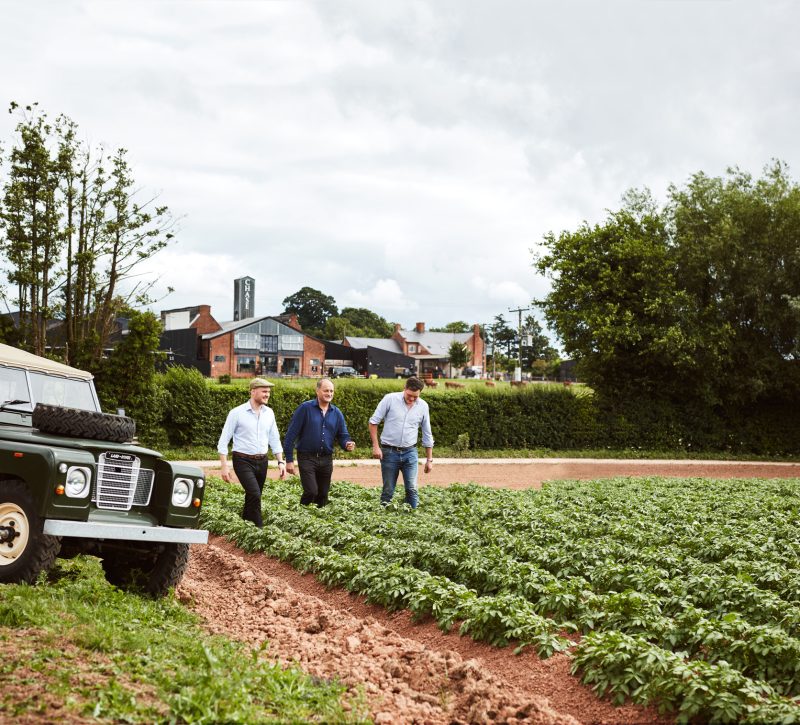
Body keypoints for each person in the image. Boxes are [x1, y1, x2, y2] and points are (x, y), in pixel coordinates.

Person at [217, 377, 285, 527]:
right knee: (255, 494)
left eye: (268, 392)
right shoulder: (237, 413)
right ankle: (259, 528)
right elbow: (223, 440)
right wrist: (224, 466)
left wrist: (280, 461)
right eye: (264, 391)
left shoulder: (269, 413)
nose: (267, 394)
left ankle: (245, 525)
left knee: (253, 495)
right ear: (253, 392)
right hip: (242, 460)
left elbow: (274, 438)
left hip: (262, 461)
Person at [283, 377, 355, 506]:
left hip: (326, 459)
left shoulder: (336, 413)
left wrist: (347, 444)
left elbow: (343, 435)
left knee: (323, 495)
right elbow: (290, 435)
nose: (329, 394)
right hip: (306, 458)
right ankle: (301, 512)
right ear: (317, 391)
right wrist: (289, 460)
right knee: (311, 491)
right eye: (326, 390)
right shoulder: (305, 408)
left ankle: (317, 521)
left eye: (331, 391)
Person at [369, 376, 434, 509]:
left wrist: (429, 459)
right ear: (404, 388)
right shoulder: (390, 399)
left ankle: (411, 519)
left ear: (420, 393)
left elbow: (427, 433)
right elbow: (373, 422)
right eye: (409, 395)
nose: (411, 399)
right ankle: (383, 519)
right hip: (389, 452)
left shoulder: (423, 406)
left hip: (410, 452)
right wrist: (376, 446)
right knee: (388, 490)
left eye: (415, 397)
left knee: (412, 489)